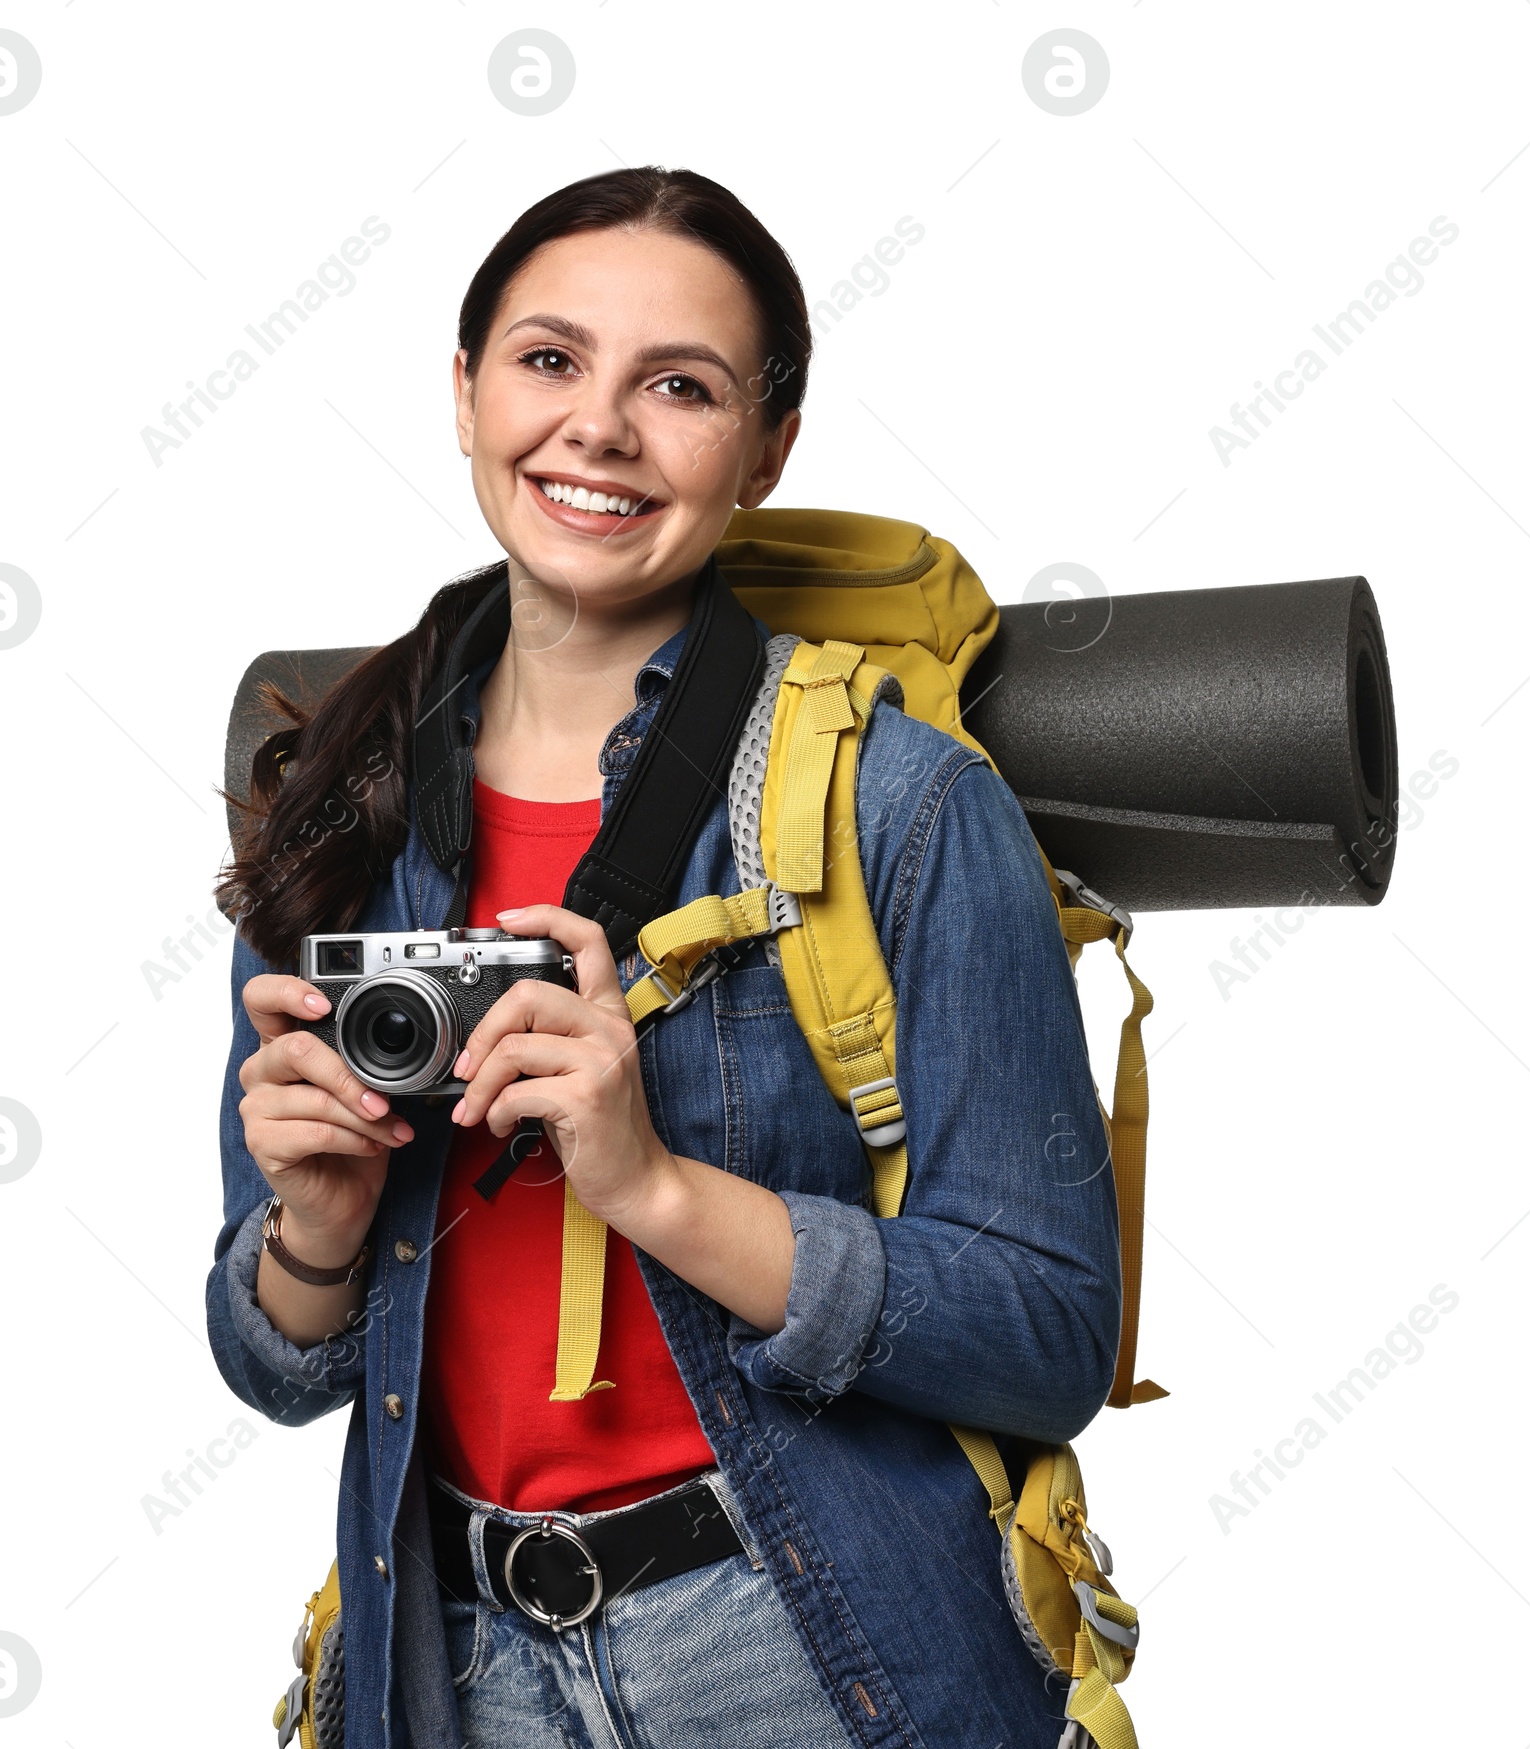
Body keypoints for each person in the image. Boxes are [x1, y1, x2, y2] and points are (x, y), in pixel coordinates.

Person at [208, 165, 1123, 1749]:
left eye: (679, 387)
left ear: (768, 447)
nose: (600, 430)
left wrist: (658, 1191)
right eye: (550, 360)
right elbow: (278, 1366)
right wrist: (314, 1232)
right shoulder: (339, 799)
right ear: (464, 389)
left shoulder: (903, 803)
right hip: (450, 1654)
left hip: (805, 1640)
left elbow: (1050, 1335)